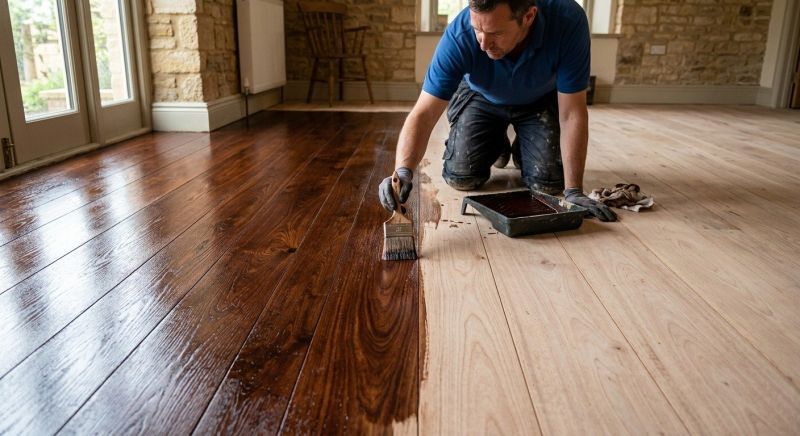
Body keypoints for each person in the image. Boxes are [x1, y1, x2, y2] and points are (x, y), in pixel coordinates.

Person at [378, 0, 617, 222]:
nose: (483, 44)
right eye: (477, 30)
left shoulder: (568, 20)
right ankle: (496, 140)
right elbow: (424, 113)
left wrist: (574, 191)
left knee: (549, 184)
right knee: (462, 177)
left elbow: (571, 113)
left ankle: (524, 144)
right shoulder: (460, 35)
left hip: (540, 99)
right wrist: (402, 171)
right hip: (480, 95)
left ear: (529, 16)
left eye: (496, 33)